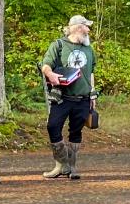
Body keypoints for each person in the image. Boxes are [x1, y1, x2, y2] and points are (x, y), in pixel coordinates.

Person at [40, 15, 97, 180]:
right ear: (78, 28)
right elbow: (46, 65)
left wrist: (93, 93)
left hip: (83, 98)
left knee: (76, 131)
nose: (88, 30)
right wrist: (51, 75)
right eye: (86, 27)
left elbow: (91, 73)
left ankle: (71, 168)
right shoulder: (58, 45)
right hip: (62, 97)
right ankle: (61, 164)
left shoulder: (89, 49)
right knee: (53, 126)